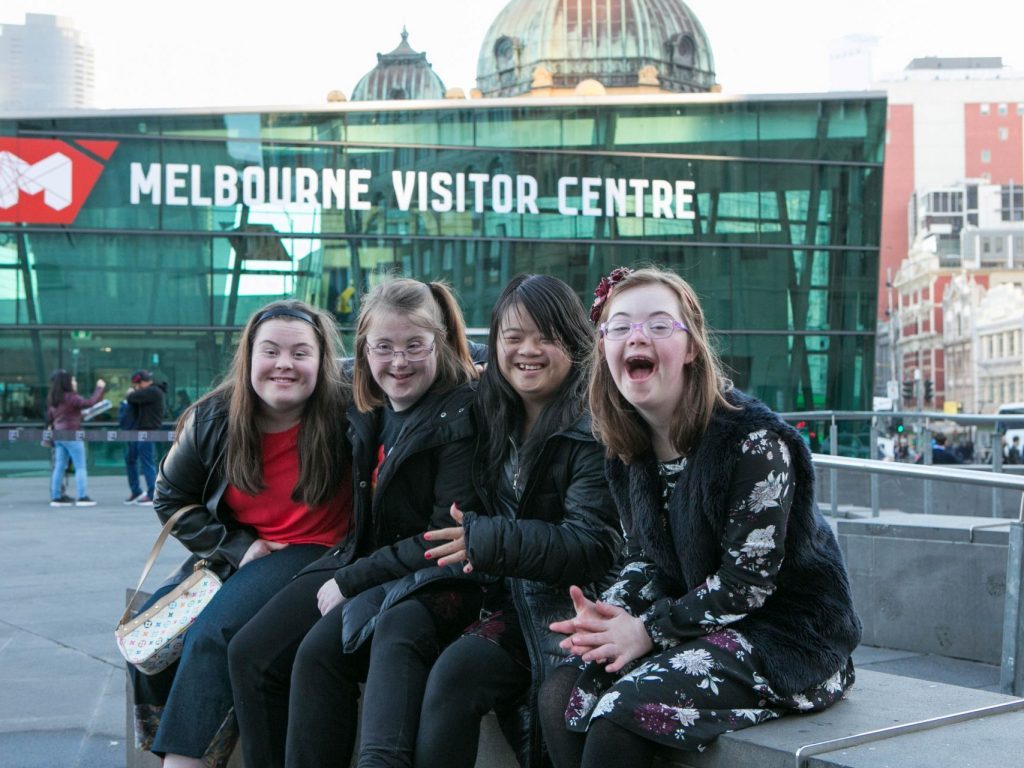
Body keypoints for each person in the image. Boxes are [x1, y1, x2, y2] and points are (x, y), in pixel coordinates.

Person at [539, 267, 862, 768]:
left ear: (691, 348)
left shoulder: (753, 441)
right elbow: (646, 557)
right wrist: (609, 617)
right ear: (603, 347)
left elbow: (746, 584)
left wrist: (645, 630)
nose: (637, 336)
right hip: (696, 624)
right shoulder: (627, 445)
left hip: (788, 637)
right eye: (620, 326)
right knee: (562, 692)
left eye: (659, 325)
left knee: (620, 717)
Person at [228, 278, 482, 768]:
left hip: (419, 577)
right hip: (362, 556)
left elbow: (440, 538)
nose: (398, 361)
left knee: (319, 656)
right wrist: (206, 417)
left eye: (415, 346)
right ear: (364, 348)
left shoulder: (460, 412)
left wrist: (352, 579)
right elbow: (288, 375)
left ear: (439, 344)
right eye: (383, 347)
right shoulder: (367, 400)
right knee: (249, 654)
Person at [405, 274, 621, 768]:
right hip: (512, 603)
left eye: (547, 337)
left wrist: (486, 538)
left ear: (576, 342)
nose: (529, 350)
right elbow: (425, 355)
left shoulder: (595, 427)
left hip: (578, 610)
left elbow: (591, 544)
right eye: (515, 337)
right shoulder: (490, 405)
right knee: (451, 676)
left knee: (555, 712)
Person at [129, 299, 352, 768]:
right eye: (270, 351)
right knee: (154, 632)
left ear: (322, 360)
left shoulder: (348, 403)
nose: (284, 365)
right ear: (249, 358)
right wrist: (237, 546)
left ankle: (185, 762)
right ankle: (173, 743)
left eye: (300, 353)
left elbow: (415, 349)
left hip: (321, 552)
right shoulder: (213, 419)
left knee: (215, 632)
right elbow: (170, 497)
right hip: (251, 550)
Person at [47, 369, 106, 507]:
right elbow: (90, 402)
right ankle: (82, 496)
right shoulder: (70, 397)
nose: (75, 382)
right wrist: (100, 388)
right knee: (80, 466)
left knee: (59, 466)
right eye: (72, 380)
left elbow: (53, 417)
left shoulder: (54, 397)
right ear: (66, 382)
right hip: (72, 435)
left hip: (58, 435)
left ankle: (56, 497)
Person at [122, 369, 168, 505]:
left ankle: (151, 493)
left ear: (143, 382)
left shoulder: (153, 391)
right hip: (138, 431)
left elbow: (131, 397)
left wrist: (132, 393)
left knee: (147, 462)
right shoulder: (149, 392)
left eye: (138, 384)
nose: (136, 387)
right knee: (130, 459)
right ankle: (136, 491)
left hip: (147, 432)